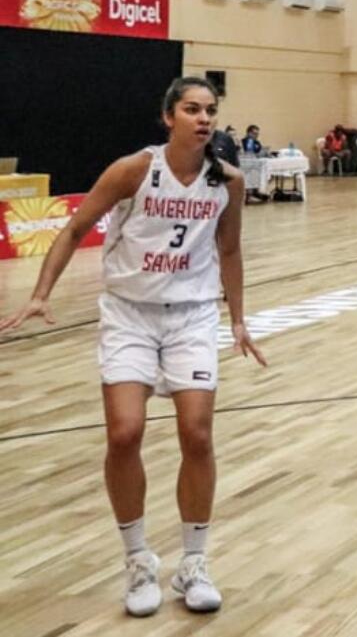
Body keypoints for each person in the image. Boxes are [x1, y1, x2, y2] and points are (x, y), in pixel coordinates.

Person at [0, 77, 267, 617]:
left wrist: (238, 319)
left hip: (191, 315)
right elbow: (75, 228)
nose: (203, 118)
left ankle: (193, 562)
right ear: (168, 116)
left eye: (210, 110)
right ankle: (138, 559)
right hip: (129, 314)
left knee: (196, 432)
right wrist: (39, 294)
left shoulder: (228, 181)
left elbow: (231, 250)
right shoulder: (134, 170)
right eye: (191, 109)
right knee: (125, 433)